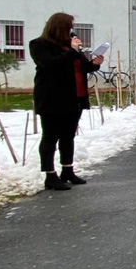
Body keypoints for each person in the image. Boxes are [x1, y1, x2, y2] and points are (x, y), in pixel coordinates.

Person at [30, 12, 103, 190]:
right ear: (59, 27)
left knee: (68, 137)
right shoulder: (39, 44)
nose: (72, 31)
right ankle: (50, 175)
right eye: (69, 27)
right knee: (50, 137)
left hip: (74, 99)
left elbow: (83, 67)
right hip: (52, 100)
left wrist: (95, 63)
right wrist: (72, 51)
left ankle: (67, 170)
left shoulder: (69, 47)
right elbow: (50, 65)